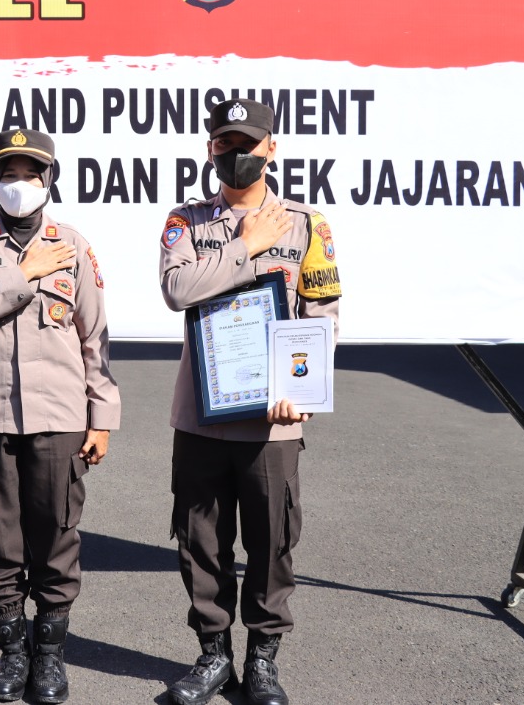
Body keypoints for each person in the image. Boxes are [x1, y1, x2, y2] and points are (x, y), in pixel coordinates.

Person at [158, 99, 340, 705]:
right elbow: (178, 290)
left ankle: (263, 659)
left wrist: (300, 389)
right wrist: (244, 245)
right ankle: (212, 656)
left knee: (271, 544)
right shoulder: (184, 222)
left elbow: (322, 315)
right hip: (203, 417)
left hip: (273, 421)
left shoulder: (308, 226)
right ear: (209, 149)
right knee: (200, 540)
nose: (236, 154)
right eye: (223, 142)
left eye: (248, 143)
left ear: (272, 147)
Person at [0, 129, 121, 705]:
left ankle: (49, 657)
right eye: (9, 173)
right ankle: (11, 654)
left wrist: (103, 416)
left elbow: (94, 336)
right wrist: (25, 274)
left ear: (50, 179)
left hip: (59, 416)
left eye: (30, 173)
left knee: (55, 540)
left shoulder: (73, 244)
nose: (18, 184)